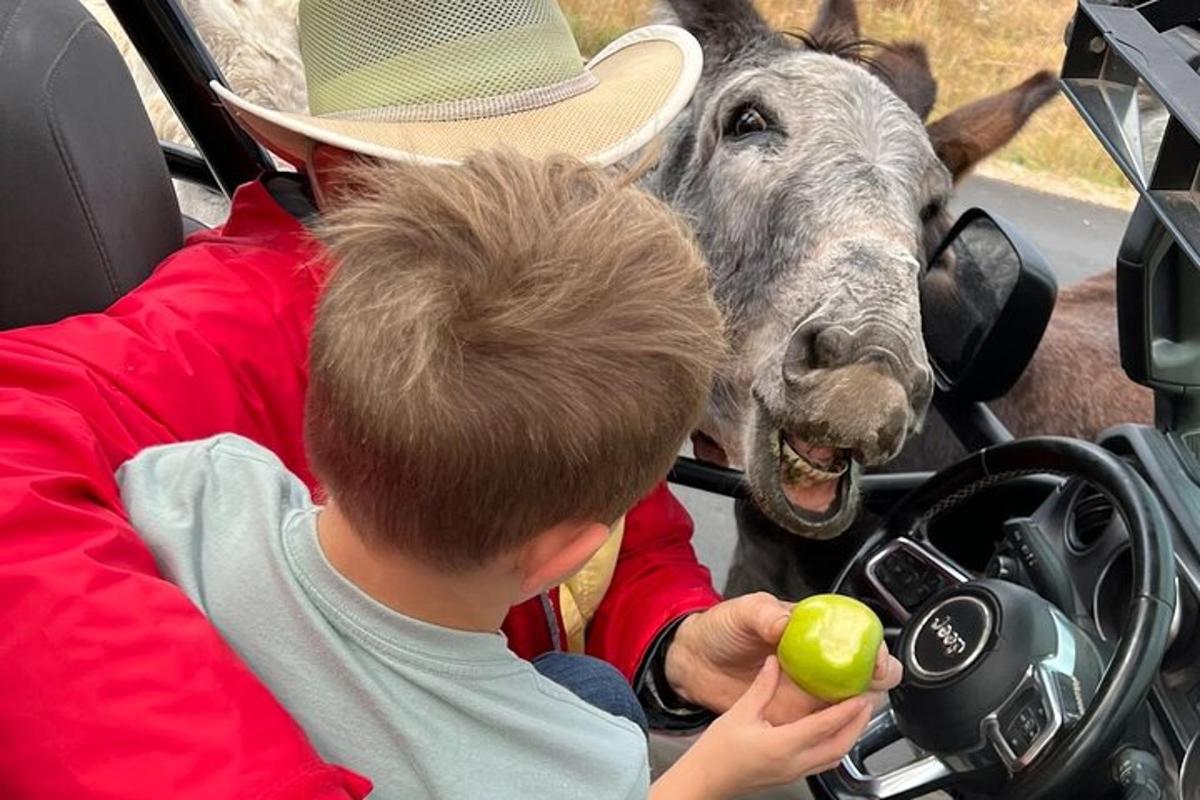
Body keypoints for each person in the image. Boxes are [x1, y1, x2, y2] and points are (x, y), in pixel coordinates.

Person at [0, 1, 899, 797]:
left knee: (594, 698)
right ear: (341, 177)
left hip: (495, 688)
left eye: (573, 160)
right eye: (493, 173)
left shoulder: (538, 311)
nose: (563, 204)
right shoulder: (224, 325)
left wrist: (676, 642)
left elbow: (612, 521)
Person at [115, 149, 880, 799]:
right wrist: (708, 775)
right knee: (596, 700)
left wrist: (675, 645)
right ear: (565, 557)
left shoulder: (201, 482)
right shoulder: (577, 764)